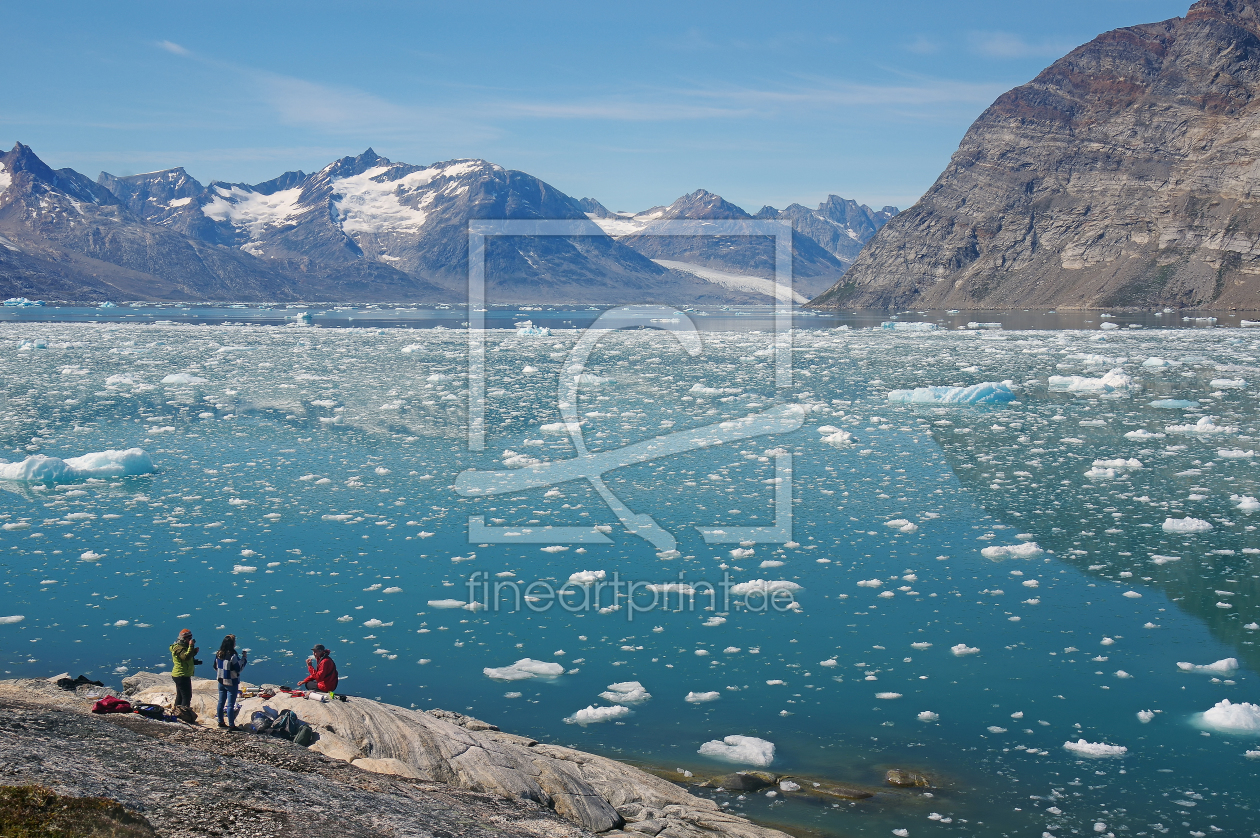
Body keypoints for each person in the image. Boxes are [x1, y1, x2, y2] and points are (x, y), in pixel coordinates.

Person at [213, 634, 248, 729]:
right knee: (230, 705)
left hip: (221, 682)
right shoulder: (232, 656)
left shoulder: (219, 653)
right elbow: (238, 668)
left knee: (220, 702)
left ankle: (220, 722)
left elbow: (215, 666)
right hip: (231, 683)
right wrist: (244, 658)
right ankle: (231, 725)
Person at [169, 628, 198, 709]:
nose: (190, 640)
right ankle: (184, 714)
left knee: (180, 696)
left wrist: (194, 652)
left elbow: (186, 659)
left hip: (183, 674)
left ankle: (176, 712)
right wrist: (191, 646)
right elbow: (185, 657)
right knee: (187, 696)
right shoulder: (178, 648)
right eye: (189, 638)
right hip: (181, 675)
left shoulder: (184, 646)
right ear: (183, 639)